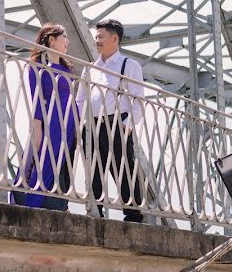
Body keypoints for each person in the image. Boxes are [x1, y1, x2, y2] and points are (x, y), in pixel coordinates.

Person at [76, 19, 146, 223]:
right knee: (95, 169)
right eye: (96, 36)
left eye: (100, 36)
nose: (96, 40)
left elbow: (138, 99)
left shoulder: (129, 65)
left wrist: (129, 125)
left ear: (114, 38)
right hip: (93, 123)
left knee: (124, 168)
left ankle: (133, 215)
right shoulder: (91, 68)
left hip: (118, 123)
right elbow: (80, 99)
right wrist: (81, 123)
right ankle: (95, 211)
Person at [13, 23, 78, 211]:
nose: (67, 41)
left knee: (63, 162)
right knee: (45, 158)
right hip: (53, 121)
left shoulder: (68, 69)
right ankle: (31, 201)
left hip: (70, 123)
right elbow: (37, 98)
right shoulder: (36, 67)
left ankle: (59, 202)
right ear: (52, 40)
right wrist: (37, 127)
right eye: (64, 37)